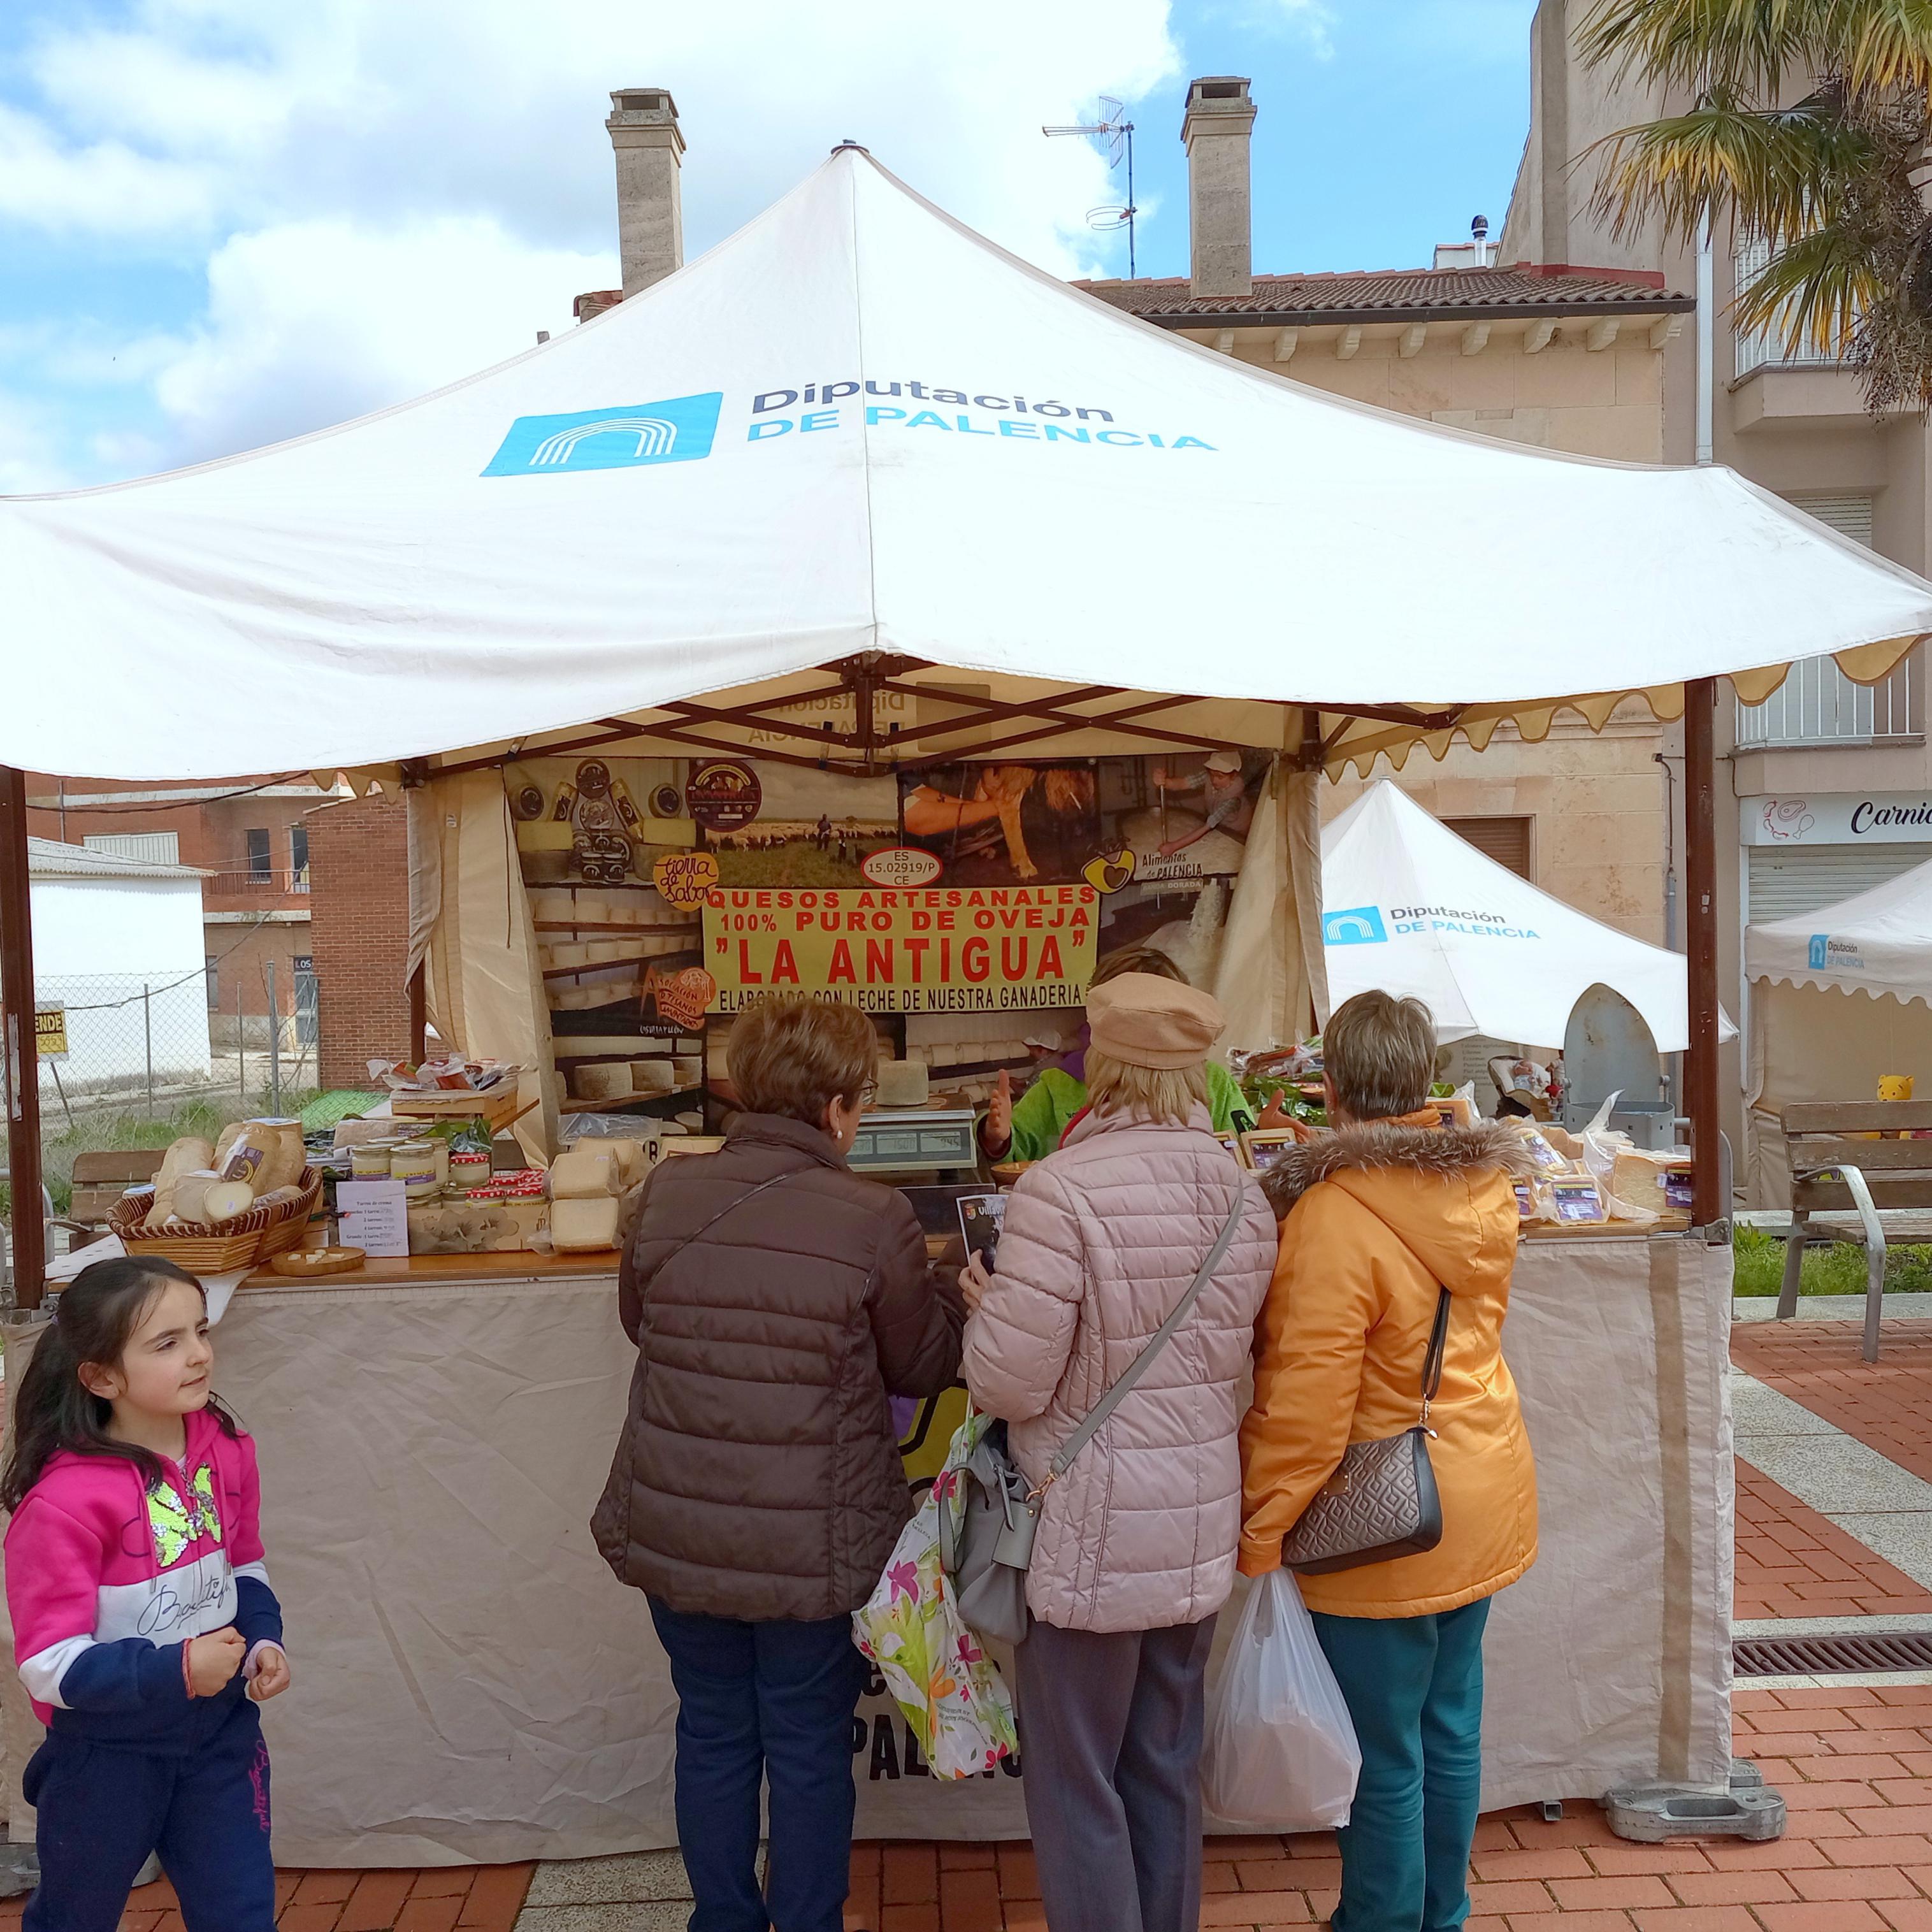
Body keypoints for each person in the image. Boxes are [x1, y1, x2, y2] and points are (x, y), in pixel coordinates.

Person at [593, 992, 964, 1932]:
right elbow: (924, 1366)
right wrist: (960, 1294)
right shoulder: (874, 1217)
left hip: (678, 1528)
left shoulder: (667, 1190)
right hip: (812, 1541)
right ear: (840, 1105)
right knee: (803, 1746)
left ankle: (722, 1920)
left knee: (713, 1730)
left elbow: (644, 1326)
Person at [960, 974, 1276, 1932]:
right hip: (1194, 1522)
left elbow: (1008, 1385)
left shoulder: (1059, 1191)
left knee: (1076, 1778)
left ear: (1102, 1070)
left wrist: (986, 1308)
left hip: (1085, 1529)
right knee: (1164, 1764)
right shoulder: (1243, 1194)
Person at [1238, 990, 1539, 1932]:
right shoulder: (1481, 1188)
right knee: (1449, 1732)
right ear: (1424, 1082)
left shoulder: (1331, 1216)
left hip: (1380, 1519)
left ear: (1329, 1088)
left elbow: (1307, 1408)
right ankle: (1439, 1916)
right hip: (1481, 1490)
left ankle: (1378, 1921)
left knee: (1382, 1757)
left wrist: (1262, 1530)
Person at [1, 1257, 290, 1932]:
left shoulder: (228, 1446)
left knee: (242, 1912)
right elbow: (48, 1663)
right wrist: (179, 1666)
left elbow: (243, 1562)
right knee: (75, 1917)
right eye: (166, 1343)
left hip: (221, 1733)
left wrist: (264, 1635)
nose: (198, 1355)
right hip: (104, 1757)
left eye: (200, 1330)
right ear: (101, 1376)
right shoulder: (63, 1503)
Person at [979, 946, 1256, 1162]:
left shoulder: (1212, 1082)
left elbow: (1244, 1154)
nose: (1147, 1022)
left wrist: (1262, 1139)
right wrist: (998, 1139)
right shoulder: (1058, 1085)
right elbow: (1016, 1157)